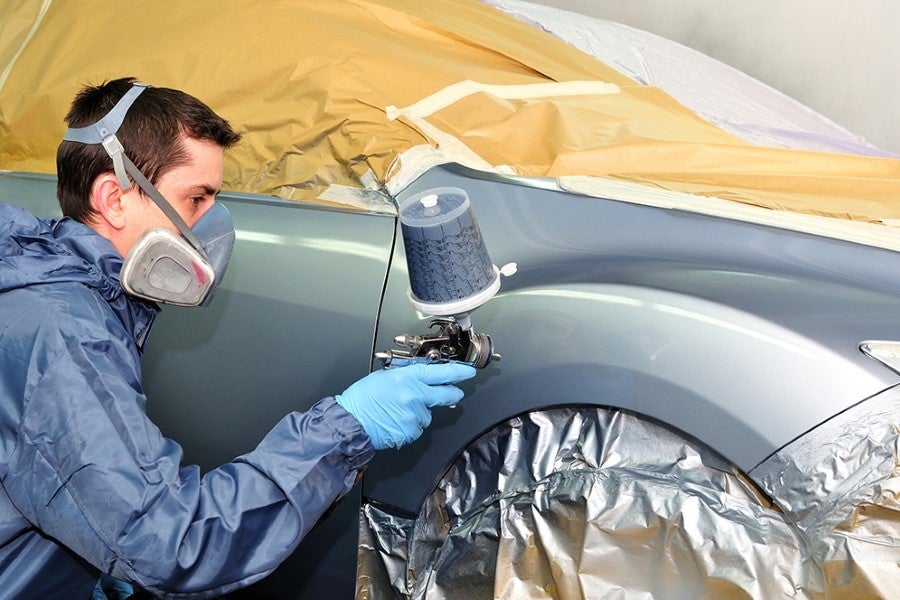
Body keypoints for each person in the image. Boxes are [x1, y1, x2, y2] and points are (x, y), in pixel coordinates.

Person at [0, 77, 476, 598]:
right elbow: (175, 544)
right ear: (114, 197)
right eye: (196, 199)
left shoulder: (43, 280)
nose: (210, 230)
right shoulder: (63, 335)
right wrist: (347, 428)